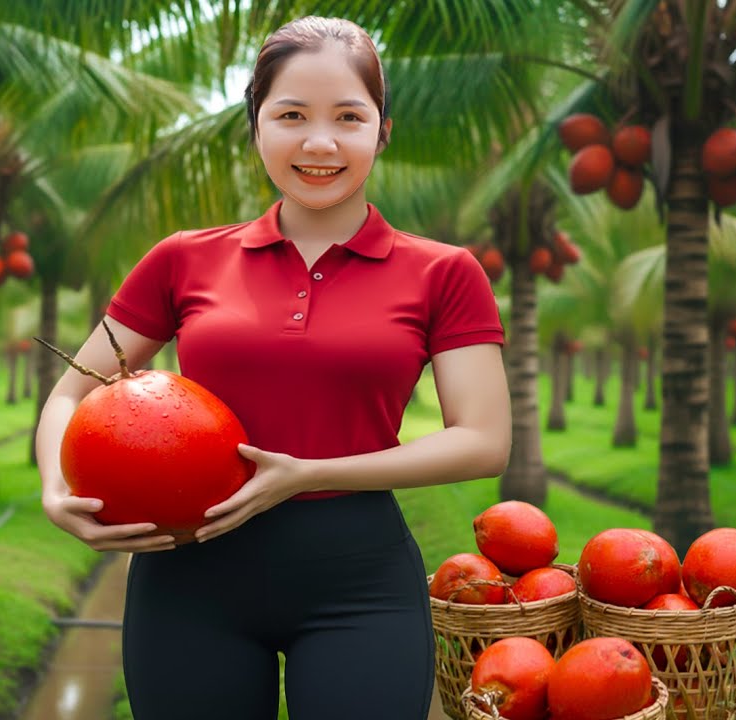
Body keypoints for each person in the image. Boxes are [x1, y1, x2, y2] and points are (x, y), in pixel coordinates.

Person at [35, 15, 511, 719]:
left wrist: (311, 474)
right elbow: (71, 391)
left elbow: (483, 440)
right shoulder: (182, 259)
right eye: (291, 115)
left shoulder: (443, 272)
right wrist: (55, 491)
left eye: (349, 117)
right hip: (188, 579)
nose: (320, 142)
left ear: (382, 131)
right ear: (255, 123)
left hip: (360, 583)